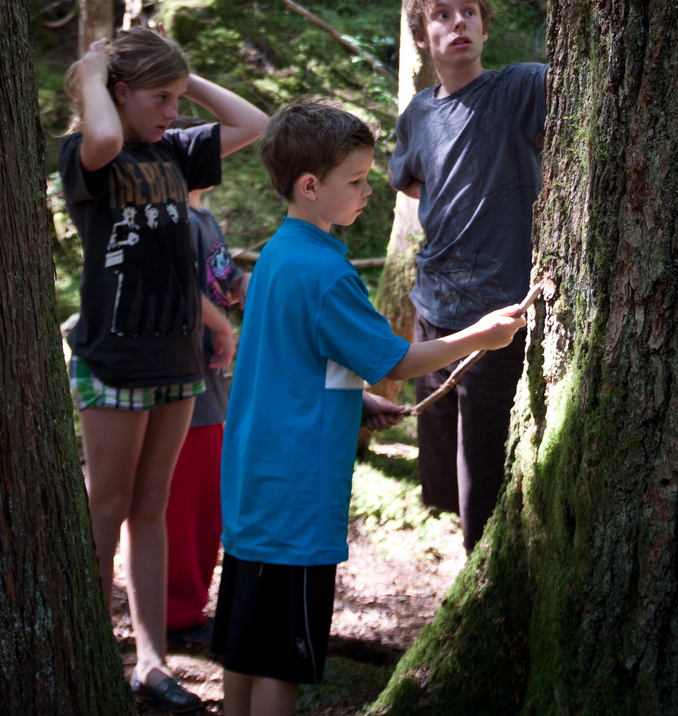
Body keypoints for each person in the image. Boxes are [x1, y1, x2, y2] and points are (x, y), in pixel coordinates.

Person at [212, 100, 526, 716]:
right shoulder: (327, 273)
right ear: (310, 186)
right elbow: (398, 359)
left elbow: (300, 359)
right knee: (281, 660)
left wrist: (356, 398)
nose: (367, 192)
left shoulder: (278, 254)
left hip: (255, 482)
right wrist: (479, 336)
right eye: (354, 182)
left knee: (245, 644)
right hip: (298, 497)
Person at [58, 29, 267, 713]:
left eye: (178, 99)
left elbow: (254, 124)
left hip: (177, 360)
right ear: (118, 94)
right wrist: (92, 71)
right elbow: (106, 139)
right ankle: (86, 649)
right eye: (160, 98)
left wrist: (186, 74)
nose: (174, 112)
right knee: (106, 508)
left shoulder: (178, 151)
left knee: (150, 510)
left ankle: (151, 660)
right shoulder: (88, 158)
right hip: (113, 359)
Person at [388, 0, 548, 553]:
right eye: (442, 16)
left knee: (483, 459)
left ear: (484, 25)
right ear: (424, 37)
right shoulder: (418, 115)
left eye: (469, 13)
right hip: (433, 301)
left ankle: (479, 567)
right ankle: (456, 541)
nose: (459, 24)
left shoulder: (519, 88)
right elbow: (407, 181)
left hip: (497, 310)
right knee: (438, 443)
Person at [166, 183, 249, 646]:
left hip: (211, 383)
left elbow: (225, 279)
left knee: (206, 502)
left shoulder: (204, 220)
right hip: (186, 379)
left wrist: (251, 285)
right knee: (187, 503)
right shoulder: (172, 218)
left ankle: (187, 606)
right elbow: (174, 284)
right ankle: (175, 615)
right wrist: (221, 327)